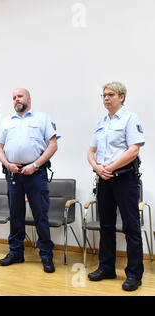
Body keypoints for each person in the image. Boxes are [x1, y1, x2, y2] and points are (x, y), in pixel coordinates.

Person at [87, 82, 145, 292]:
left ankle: (134, 274)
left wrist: (109, 167)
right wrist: (97, 168)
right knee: (106, 226)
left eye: (110, 94)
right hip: (104, 179)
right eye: (103, 95)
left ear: (122, 97)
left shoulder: (131, 119)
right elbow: (91, 151)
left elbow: (133, 150)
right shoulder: (101, 122)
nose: (106, 98)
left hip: (124, 179)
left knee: (131, 227)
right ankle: (107, 268)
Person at [0, 88, 59, 273]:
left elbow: (53, 145)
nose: (16, 100)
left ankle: (46, 255)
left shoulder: (43, 118)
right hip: (13, 173)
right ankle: (16, 252)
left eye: (20, 96)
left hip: (36, 173)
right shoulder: (6, 122)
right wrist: (7, 164)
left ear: (29, 98)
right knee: (15, 215)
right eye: (13, 97)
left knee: (41, 215)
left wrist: (36, 165)